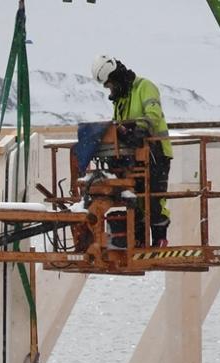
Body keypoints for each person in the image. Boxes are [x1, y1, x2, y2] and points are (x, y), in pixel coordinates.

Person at [92, 55, 172, 246]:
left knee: (153, 198)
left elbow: (153, 113)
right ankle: (139, 240)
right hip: (133, 156)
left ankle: (159, 238)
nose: (110, 89)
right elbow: (119, 126)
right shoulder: (121, 99)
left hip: (156, 151)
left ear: (116, 77)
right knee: (134, 199)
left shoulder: (145, 87)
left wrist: (140, 129)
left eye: (110, 84)